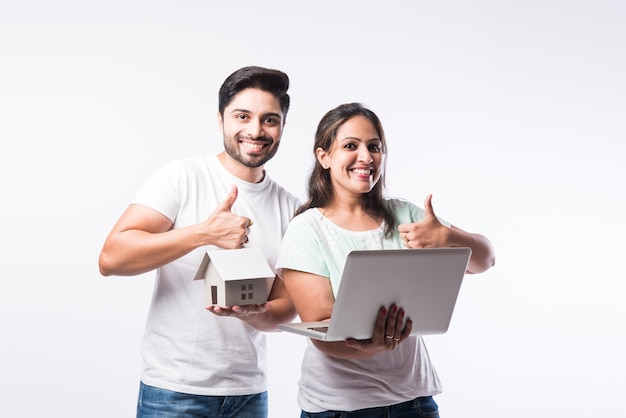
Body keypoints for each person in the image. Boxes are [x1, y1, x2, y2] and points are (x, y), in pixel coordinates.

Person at [98, 66, 300, 418]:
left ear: (282, 127)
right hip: (175, 392)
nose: (255, 130)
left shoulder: (291, 207)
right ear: (221, 120)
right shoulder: (181, 177)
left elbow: (286, 307)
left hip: (250, 394)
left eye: (270, 120)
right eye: (243, 116)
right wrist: (204, 233)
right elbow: (112, 258)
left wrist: (255, 314)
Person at [276, 102, 496, 417]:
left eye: (374, 147)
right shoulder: (307, 229)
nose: (366, 157)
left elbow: (485, 260)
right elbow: (322, 330)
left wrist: (448, 239)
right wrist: (377, 345)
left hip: (414, 402)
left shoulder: (406, 215)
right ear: (323, 157)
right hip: (339, 408)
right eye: (350, 146)